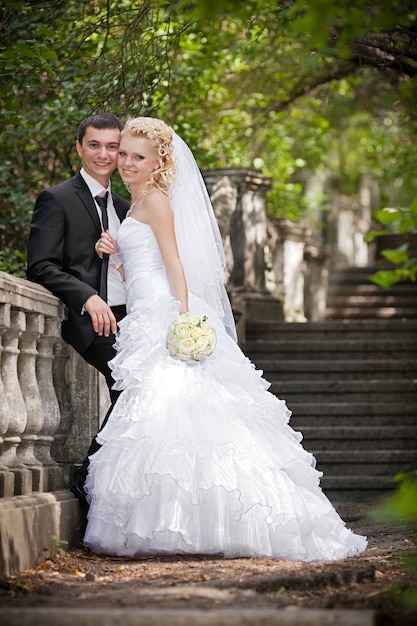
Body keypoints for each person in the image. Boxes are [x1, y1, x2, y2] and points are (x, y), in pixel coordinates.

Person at [83, 116, 367, 560]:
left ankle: (208, 520)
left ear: (160, 160)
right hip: (142, 307)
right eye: (124, 154)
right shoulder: (133, 203)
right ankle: (171, 521)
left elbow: (174, 264)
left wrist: (182, 317)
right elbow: (140, 264)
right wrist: (115, 252)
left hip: (163, 309)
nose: (126, 163)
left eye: (138, 156)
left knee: (179, 405)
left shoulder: (155, 201)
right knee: (156, 411)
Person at [26, 113, 130, 502]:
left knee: (147, 389)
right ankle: (87, 481)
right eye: (94, 145)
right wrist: (86, 296)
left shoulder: (124, 205)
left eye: (112, 147)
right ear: (79, 147)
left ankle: (111, 488)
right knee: (131, 385)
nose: (103, 154)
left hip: (132, 318)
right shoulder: (57, 198)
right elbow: (40, 265)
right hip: (91, 321)